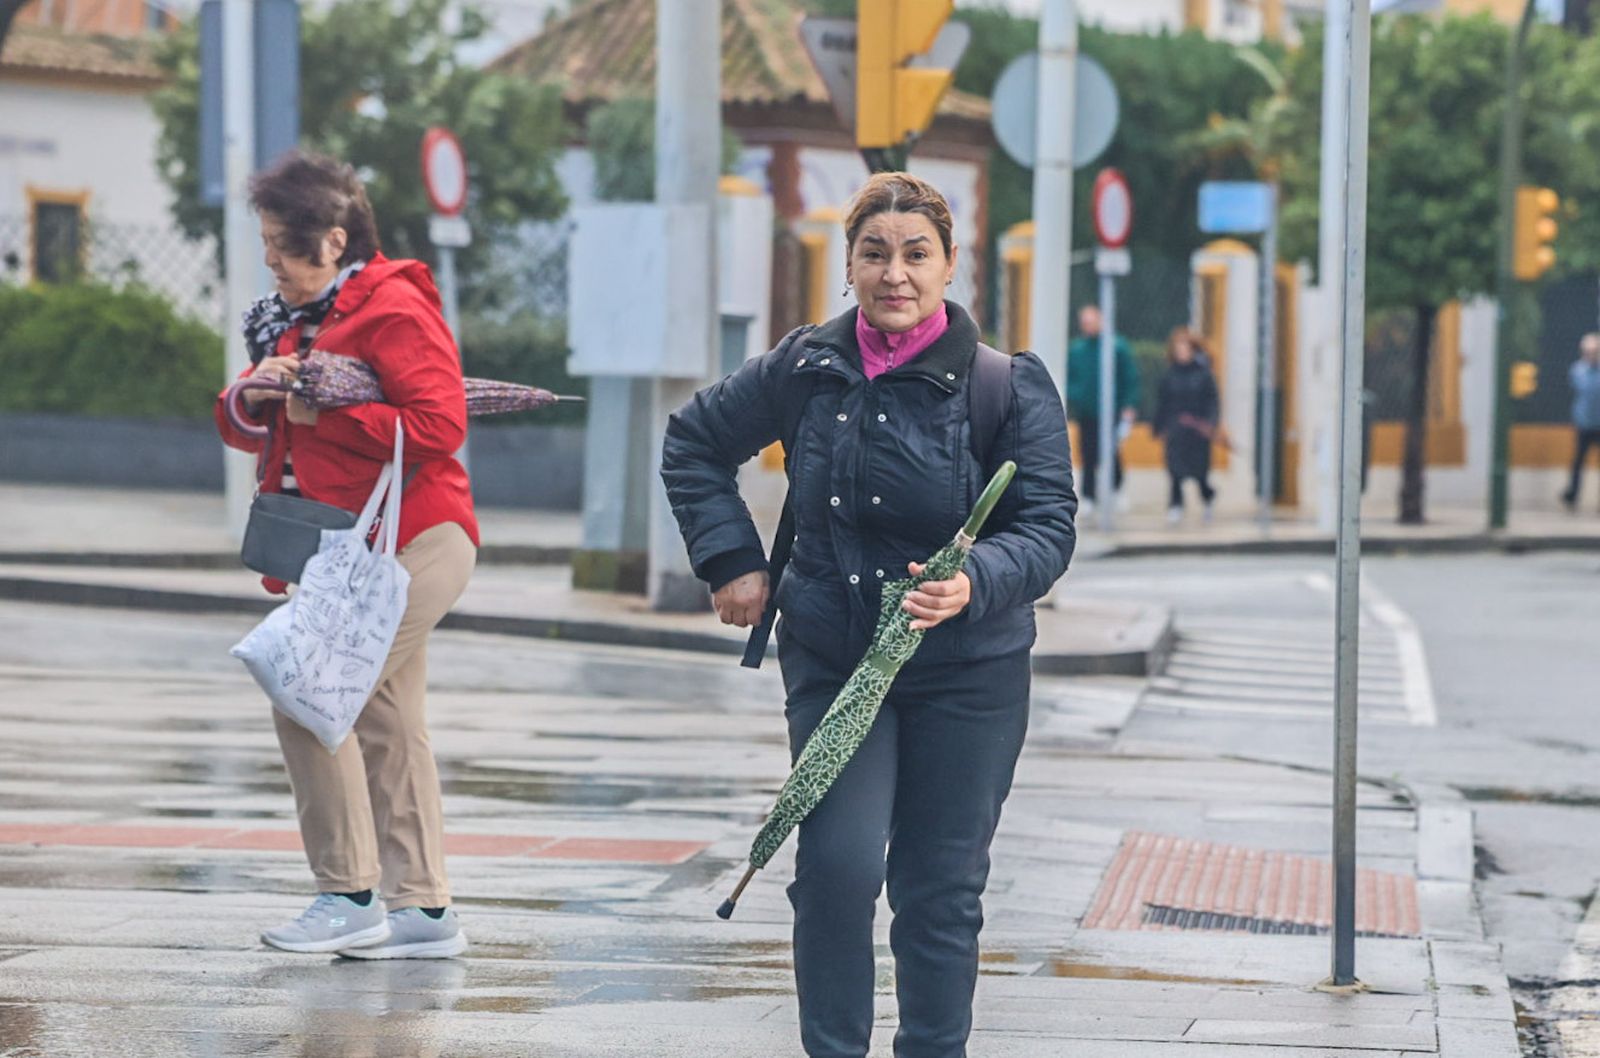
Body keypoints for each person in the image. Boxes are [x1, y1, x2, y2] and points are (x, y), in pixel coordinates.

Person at [661, 172, 1076, 1058]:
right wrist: (732, 561)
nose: (896, 274)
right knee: (839, 869)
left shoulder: (1006, 387)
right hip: (836, 654)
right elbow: (692, 441)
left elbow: (1048, 527)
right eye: (875, 254)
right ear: (849, 265)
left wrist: (978, 581)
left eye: (916, 255)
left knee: (939, 885)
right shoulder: (805, 368)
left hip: (970, 669)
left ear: (949, 264)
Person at [214, 150, 478, 960]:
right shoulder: (296, 319)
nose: (271, 262)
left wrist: (326, 413)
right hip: (351, 551)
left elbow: (440, 429)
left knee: (306, 686)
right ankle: (425, 913)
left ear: (332, 241)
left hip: (418, 540)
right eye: (264, 244)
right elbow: (247, 422)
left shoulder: (393, 310)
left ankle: (348, 893)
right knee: (388, 720)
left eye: (281, 248)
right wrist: (253, 396)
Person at [1066, 304, 1140, 513]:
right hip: (1087, 411)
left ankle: (1116, 488)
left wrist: (1129, 405)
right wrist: (1076, 396)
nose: (1088, 326)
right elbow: (1071, 378)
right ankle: (1089, 495)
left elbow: (1130, 378)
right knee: (1087, 452)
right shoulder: (1078, 350)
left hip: (1111, 410)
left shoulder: (1117, 347)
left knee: (1111, 450)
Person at [1153, 327, 1220, 525]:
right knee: (1174, 469)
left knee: (1200, 472)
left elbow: (1213, 401)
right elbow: (1162, 402)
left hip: (1198, 430)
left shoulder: (1204, 375)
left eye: (1185, 348)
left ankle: (1207, 497)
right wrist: (1159, 426)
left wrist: (1211, 424)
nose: (1181, 352)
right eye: (1178, 348)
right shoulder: (1169, 375)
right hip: (1176, 428)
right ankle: (1176, 505)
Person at [1561, 332, 1600, 512]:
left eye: (1595, 351)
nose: (1592, 354)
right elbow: (1584, 389)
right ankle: (1572, 496)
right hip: (1584, 424)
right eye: (1589, 351)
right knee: (1578, 462)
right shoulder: (1578, 370)